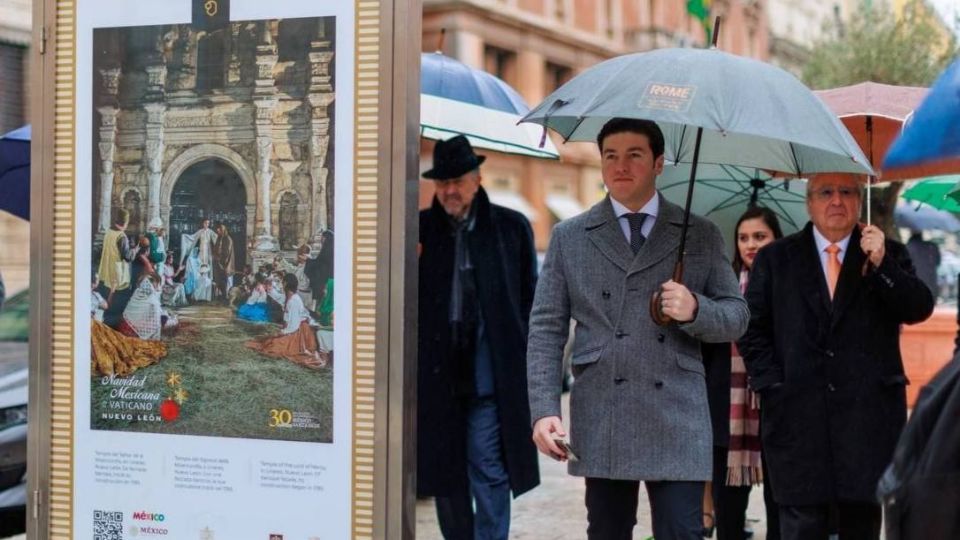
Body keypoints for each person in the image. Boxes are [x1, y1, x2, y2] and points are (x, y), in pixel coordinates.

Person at [526, 118, 749, 540]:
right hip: (605, 409)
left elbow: (737, 316)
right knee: (607, 532)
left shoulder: (698, 234)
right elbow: (545, 328)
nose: (620, 166)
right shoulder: (570, 237)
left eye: (634, 155)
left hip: (678, 415)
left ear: (659, 162)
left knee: (684, 532)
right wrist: (544, 410)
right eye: (610, 155)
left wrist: (695, 308)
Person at [739, 173, 935, 540]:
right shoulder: (776, 258)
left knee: (861, 526)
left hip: (868, 424)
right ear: (809, 202)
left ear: (859, 201)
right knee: (800, 528)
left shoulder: (887, 253)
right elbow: (752, 329)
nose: (836, 200)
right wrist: (772, 384)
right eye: (825, 192)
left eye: (847, 192)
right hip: (796, 420)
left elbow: (918, 308)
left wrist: (881, 265)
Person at [417, 135, 540, 540]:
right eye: (442, 182)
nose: (450, 190)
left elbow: (530, 303)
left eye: (458, 181)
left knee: (488, 468)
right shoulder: (419, 230)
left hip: (489, 377)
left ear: (477, 178)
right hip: (438, 378)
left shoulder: (510, 228)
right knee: (447, 478)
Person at [702, 207, 783, 540]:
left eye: (760, 237)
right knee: (729, 513)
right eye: (743, 238)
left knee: (780, 507)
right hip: (728, 416)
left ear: (777, 240)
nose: (750, 245)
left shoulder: (790, 290)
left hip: (778, 410)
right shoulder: (724, 291)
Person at [245, 273, 328, 369]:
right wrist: (270, 289)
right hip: (293, 328)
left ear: (286, 284)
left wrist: (281, 333)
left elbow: (293, 326)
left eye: (282, 282)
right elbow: (279, 297)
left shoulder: (294, 301)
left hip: (299, 332)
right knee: (270, 342)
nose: (281, 284)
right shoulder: (289, 296)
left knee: (274, 346)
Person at [98, 209, 138, 326]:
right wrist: (135, 250)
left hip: (106, 272)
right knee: (116, 304)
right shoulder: (122, 237)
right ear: (125, 222)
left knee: (107, 301)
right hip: (117, 275)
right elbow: (128, 257)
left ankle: (106, 325)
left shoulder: (108, 232)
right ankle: (113, 328)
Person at [119, 273, 164, 340]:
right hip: (134, 331)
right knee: (162, 319)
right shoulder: (152, 300)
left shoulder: (137, 292)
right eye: (156, 284)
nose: (156, 286)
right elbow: (156, 320)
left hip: (124, 328)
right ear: (150, 284)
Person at [275, 245, 314, 310]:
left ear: (301, 256)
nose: (296, 255)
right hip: (301, 294)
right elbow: (294, 270)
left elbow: (297, 277)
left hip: (303, 297)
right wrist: (283, 261)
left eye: (297, 253)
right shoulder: (303, 265)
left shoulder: (307, 267)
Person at [905, 229, 940, 297]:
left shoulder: (908, 247)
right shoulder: (931, 246)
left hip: (915, 282)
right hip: (930, 280)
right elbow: (937, 261)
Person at [214, 223, 235, 300]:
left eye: (219, 231)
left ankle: (228, 297)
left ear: (223, 231)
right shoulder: (219, 238)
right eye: (217, 232)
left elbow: (227, 252)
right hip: (220, 263)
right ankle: (222, 296)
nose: (218, 233)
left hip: (226, 264)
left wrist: (222, 262)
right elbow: (216, 249)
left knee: (228, 281)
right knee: (221, 280)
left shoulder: (228, 239)